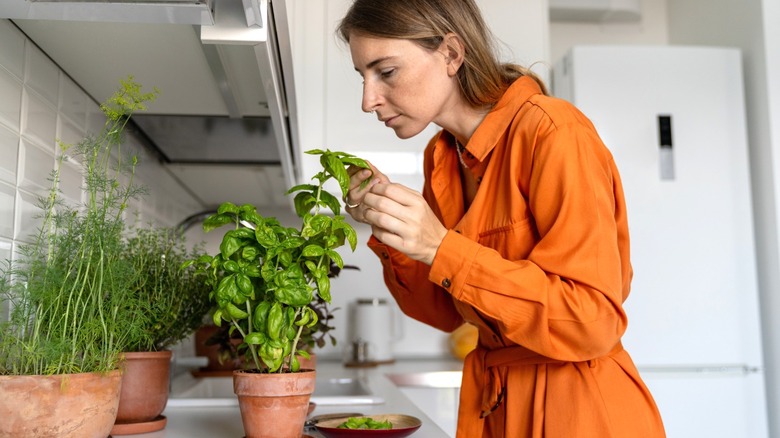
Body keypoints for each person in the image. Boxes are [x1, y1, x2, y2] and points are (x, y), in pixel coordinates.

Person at [337, 0, 666, 437]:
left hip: (579, 410)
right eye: (363, 77)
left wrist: (441, 248)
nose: (368, 100)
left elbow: (593, 321)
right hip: (496, 407)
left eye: (386, 72)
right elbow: (443, 313)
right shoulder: (442, 157)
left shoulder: (554, 133)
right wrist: (392, 230)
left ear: (452, 54)